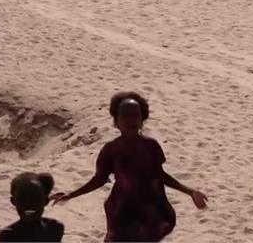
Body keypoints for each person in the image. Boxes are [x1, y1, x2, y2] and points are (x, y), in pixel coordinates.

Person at [51, 92, 208, 242]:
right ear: (116, 122)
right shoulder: (111, 150)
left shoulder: (151, 146)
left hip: (151, 212)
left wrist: (190, 191)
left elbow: (160, 175)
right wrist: (72, 194)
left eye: (135, 116)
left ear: (142, 120)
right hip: (122, 212)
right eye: (125, 116)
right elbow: (99, 180)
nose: (130, 120)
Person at [0, 172, 64, 242]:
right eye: (23, 199)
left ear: (46, 201)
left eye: (35, 198)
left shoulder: (55, 228)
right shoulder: (7, 237)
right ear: (13, 201)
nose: (29, 204)